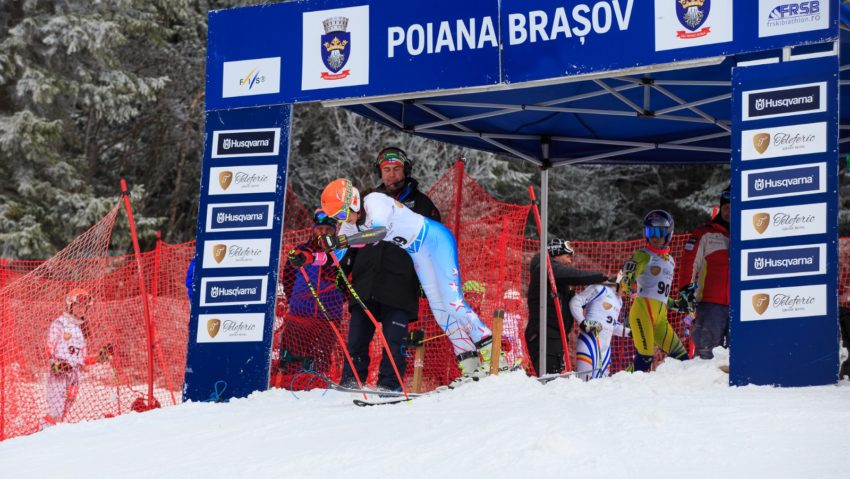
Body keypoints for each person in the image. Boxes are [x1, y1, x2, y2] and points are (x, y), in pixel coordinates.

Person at [318, 177, 496, 388]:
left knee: (451, 302)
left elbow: (379, 232)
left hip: (435, 240)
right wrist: (310, 257)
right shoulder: (349, 225)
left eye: (342, 213)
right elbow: (335, 256)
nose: (342, 220)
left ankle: (495, 355)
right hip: (418, 252)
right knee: (439, 309)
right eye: (336, 217)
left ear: (353, 200)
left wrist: (343, 240)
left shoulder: (373, 201)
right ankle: (470, 365)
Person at [329, 148, 441, 391]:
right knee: (357, 340)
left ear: (406, 170)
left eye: (396, 169)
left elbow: (433, 243)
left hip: (399, 284)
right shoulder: (368, 200)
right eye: (386, 170)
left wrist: (428, 277)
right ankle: (350, 385)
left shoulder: (422, 203)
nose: (391, 175)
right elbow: (353, 234)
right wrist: (344, 267)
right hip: (365, 281)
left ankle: (389, 386)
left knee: (393, 342)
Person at [524, 238, 610, 376]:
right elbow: (574, 276)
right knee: (551, 379)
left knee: (555, 377)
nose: (570, 261)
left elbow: (574, 302)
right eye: (567, 256)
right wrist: (601, 277)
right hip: (544, 332)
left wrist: (582, 321)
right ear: (556, 253)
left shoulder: (557, 279)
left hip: (554, 334)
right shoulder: (545, 266)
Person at [620, 210, 689, 372]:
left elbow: (660, 294)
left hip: (660, 319)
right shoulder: (643, 255)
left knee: (682, 358)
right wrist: (627, 282)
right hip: (642, 312)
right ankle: (618, 386)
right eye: (650, 232)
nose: (655, 237)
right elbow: (627, 276)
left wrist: (676, 304)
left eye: (659, 232)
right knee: (645, 359)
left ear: (669, 234)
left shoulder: (670, 260)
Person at [43, 288, 112, 427]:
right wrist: (55, 363)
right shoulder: (60, 323)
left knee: (63, 413)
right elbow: (49, 347)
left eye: (84, 307)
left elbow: (82, 360)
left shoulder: (81, 329)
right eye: (78, 305)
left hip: (75, 376)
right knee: (56, 411)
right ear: (70, 305)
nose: (81, 309)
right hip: (60, 373)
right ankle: (37, 437)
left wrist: (100, 357)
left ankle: (51, 441)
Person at [677, 186, 730, 360]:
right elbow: (689, 263)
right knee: (706, 356)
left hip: (743, 306)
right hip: (710, 305)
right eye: (726, 208)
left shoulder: (749, 234)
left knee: (738, 358)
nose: (729, 212)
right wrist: (686, 291)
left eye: (734, 208)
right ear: (720, 209)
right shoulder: (706, 233)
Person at [569, 279, 630, 381]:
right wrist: (583, 322)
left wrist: (631, 333)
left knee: (601, 388)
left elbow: (612, 326)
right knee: (584, 384)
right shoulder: (601, 288)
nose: (629, 292)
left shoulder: (619, 301)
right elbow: (575, 301)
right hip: (590, 342)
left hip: (605, 349)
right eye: (630, 287)